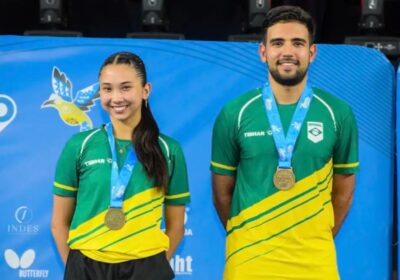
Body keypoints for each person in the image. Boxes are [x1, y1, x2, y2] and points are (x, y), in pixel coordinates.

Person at [211, 5, 358, 280]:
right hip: (249, 262)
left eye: (298, 43)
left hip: (315, 264)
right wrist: (249, 234)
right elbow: (222, 195)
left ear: (311, 53)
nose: (287, 52)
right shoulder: (235, 112)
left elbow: (344, 193)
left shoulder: (338, 113)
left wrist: (311, 237)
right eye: (277, 43)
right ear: (263, 52)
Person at [51, 51, 190, 280]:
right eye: (107, 88)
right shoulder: (79, 146)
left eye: (125, 87)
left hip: (146, 267)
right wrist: (77, 268)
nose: (116, 97)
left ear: (146, 91)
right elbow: (58, 223)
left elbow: (176, 226)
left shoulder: (169, 150)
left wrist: (152, 267)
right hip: (86, 265)